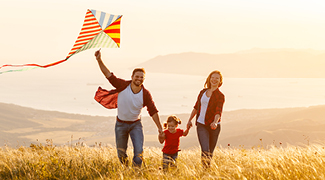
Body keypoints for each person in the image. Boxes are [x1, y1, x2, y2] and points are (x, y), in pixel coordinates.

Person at [94, 49, 163, 167]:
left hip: (136, 125)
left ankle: (136, 173)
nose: (139, 79)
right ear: (132, 77)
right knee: (121, 153)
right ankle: (126, 170)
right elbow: (108, 75)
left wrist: (160, 129)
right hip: (120, 124)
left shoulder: (145, 94)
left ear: (144, 79)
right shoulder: (122, 85)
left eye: (142, 77)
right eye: (137, 76)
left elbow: (153, 111)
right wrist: (99, 59)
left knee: (139, 153)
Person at [186, 70, 225, 168]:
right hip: (201, 125)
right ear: (209, 78)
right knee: (205, 150)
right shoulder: (202, 92)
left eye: (217, 78)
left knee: (210, 153)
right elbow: (196, 107)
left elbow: (218, 111)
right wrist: (190, 119)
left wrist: (215, 122)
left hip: (214, 127)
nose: (214, 79)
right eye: (212, 77)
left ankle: (206, 172)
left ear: (220, 81)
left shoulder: (220, 96)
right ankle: (206, 171)